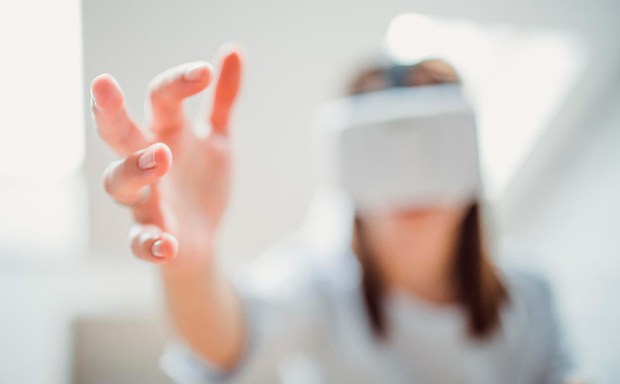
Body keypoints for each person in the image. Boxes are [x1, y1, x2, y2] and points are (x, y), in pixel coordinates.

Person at [89, 43, 573, 383]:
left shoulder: (530, 293)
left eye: (431, 140)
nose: (408, 169)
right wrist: (191, 265)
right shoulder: (319, 284)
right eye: (382, 145)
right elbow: (227, 340)